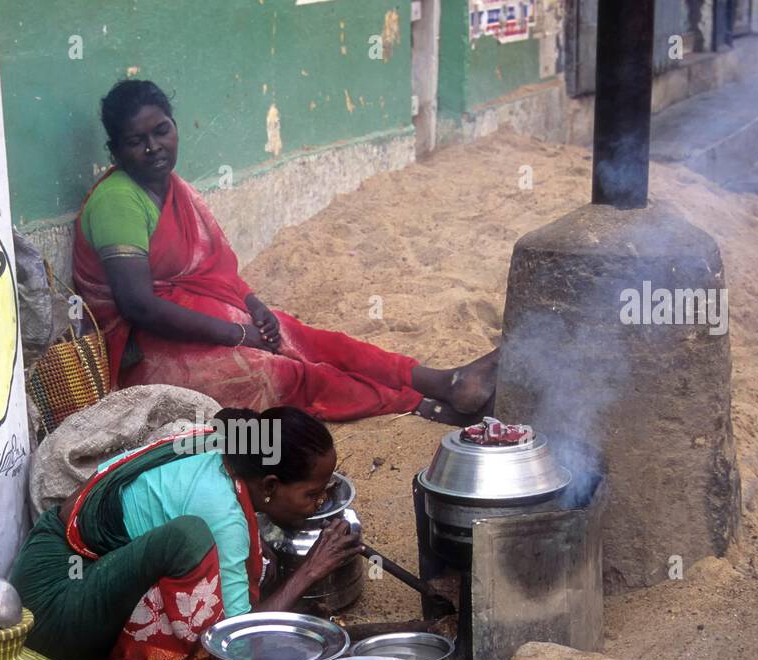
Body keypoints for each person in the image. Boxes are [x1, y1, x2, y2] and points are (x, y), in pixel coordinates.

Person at [72, 79, 498, 425]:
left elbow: (214, 269)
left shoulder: (172, 188)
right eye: (136, 141)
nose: (153, 147)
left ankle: (442, 380)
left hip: (206, 317)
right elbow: (138, 306)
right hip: (147, 353)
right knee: (276, 372)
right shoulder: (118, 201)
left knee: (303, 337)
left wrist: (253, 305)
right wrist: (239, 334)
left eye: (161, 130)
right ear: (115, 152)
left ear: (175, 126)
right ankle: (413, 403)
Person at [10, 407, 363, 660]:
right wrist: (310, 571)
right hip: (49, 619)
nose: (319, 503)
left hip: (47, 563)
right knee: (189, 538)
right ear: (269, 485)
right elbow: (235, 641)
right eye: (312, 494)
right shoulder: (222, 515)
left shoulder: (222, 444)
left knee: (251, 557)